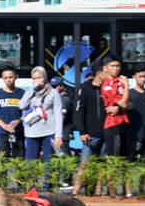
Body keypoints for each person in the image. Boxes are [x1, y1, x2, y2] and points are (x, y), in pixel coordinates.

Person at [73, 61, 107, 195]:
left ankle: (98, 192)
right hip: (90, 134)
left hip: (106, 133)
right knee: (85, 164)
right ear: (99, 73)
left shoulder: (107, 88)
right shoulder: (85, 87)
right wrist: (82, 131)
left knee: (102, 165)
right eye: (106, 71)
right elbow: (79, 110)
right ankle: (76, 191)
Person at [19, 66, 63, 163]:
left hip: (49, 131)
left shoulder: (53, 92)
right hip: (32, 132)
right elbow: (22, 106)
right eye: (34, 78)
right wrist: (33, 89)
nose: (37, 80)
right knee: (31, 164)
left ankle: (48, 179)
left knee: (49, 164)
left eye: (39, 77)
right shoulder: (30, 92)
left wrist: (58, 136)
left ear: (45, 77)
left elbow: (58, 115)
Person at [0, 64, 24, 159]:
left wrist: (19, 121)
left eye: (10, 77)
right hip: (3, 131)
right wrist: (4, 126)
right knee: (3, 160)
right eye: (5, 78)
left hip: (18, 130)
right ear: (2, 78)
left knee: (19, 159)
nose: (8, 80)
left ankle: (19, 175)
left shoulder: (22, 93)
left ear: (16, 77)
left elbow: (28, 111)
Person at [100, 55, 130, 159]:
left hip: (124, 122)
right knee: (115, 158)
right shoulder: (107, 85)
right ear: (105, 68)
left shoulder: (120, 81)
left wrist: (121, 107)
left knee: (125, 156)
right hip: (113, 124)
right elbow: (124, 104)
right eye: (112, 66)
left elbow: (129, 104)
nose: (115, 69)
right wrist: (126, 86)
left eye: (117, 66)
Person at [127, 68, 145, 162]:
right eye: (140, 76)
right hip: (132, 133)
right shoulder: (129, 93)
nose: (142, 79)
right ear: (134, 77)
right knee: (131, 161)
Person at [51, 76, 74, 155]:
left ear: (62, 86)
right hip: (59, 132)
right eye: (52, 86)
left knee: (64, 156)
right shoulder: (57, 97)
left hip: (63, 133)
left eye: (55, 86)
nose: (53, 88)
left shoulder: (63, 99)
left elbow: (61, 118)